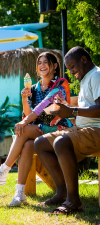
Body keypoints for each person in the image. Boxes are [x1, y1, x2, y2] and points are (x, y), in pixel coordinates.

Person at [0, 52, 73, 206]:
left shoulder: (60, 84)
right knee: (28, 145)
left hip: (60, 130)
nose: (42, 65)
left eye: (46, 62)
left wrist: (24, 122)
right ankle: (20, 193)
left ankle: (3, 170)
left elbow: (43, 107)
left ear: (55, 66)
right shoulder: (35, 88)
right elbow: (27, 113)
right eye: (40, 62)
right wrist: (25, 99)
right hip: (40, 130)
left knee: (24, 129)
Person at [34, 46, 100, 215]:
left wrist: (72, 111)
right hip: (83, 129)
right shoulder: (86, 79)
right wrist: (68, 108)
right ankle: (62, 192)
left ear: (83, 60)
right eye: (68, 68)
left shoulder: (97, 75)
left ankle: (73, 201)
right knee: (40, 143)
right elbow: (85, 109)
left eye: (72, 66)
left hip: (96, 130)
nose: (70, 72)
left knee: (61, 142)